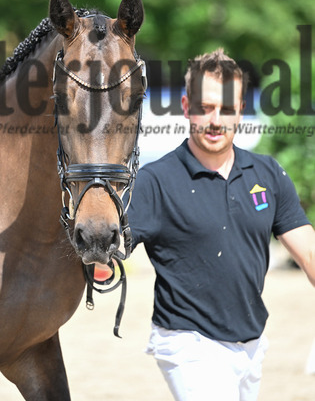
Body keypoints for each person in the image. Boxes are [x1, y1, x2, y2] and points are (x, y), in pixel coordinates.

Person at [128, 48, 315, 401]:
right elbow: (103, 250)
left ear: (241, 110)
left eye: (227, 109)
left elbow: (308, 251)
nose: (216, 120)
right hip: (186, 342)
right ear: (186, 107)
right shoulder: (154, 182)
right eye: (206, 107)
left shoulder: (268, 174)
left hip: (251, 342)